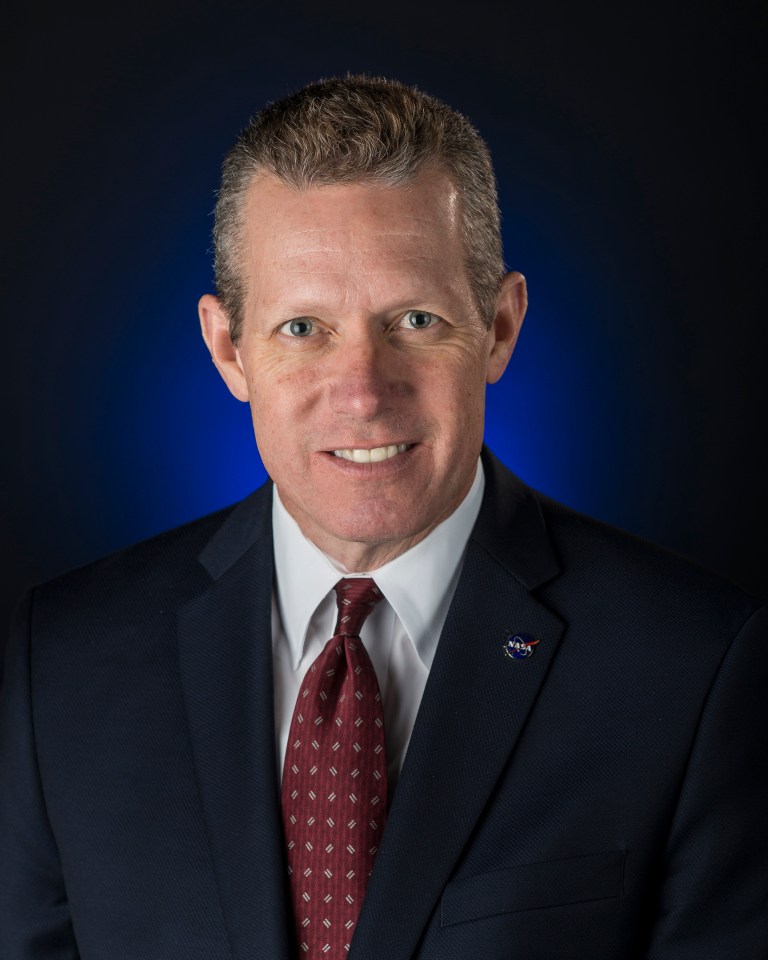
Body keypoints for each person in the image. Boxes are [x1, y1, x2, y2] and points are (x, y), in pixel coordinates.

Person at [0, 76, 765, 960]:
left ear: (501, 327)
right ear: (227, 348)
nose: (363, 392)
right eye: (302, 329)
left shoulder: (696, 670)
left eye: (414, 318)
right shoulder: (63, 663)